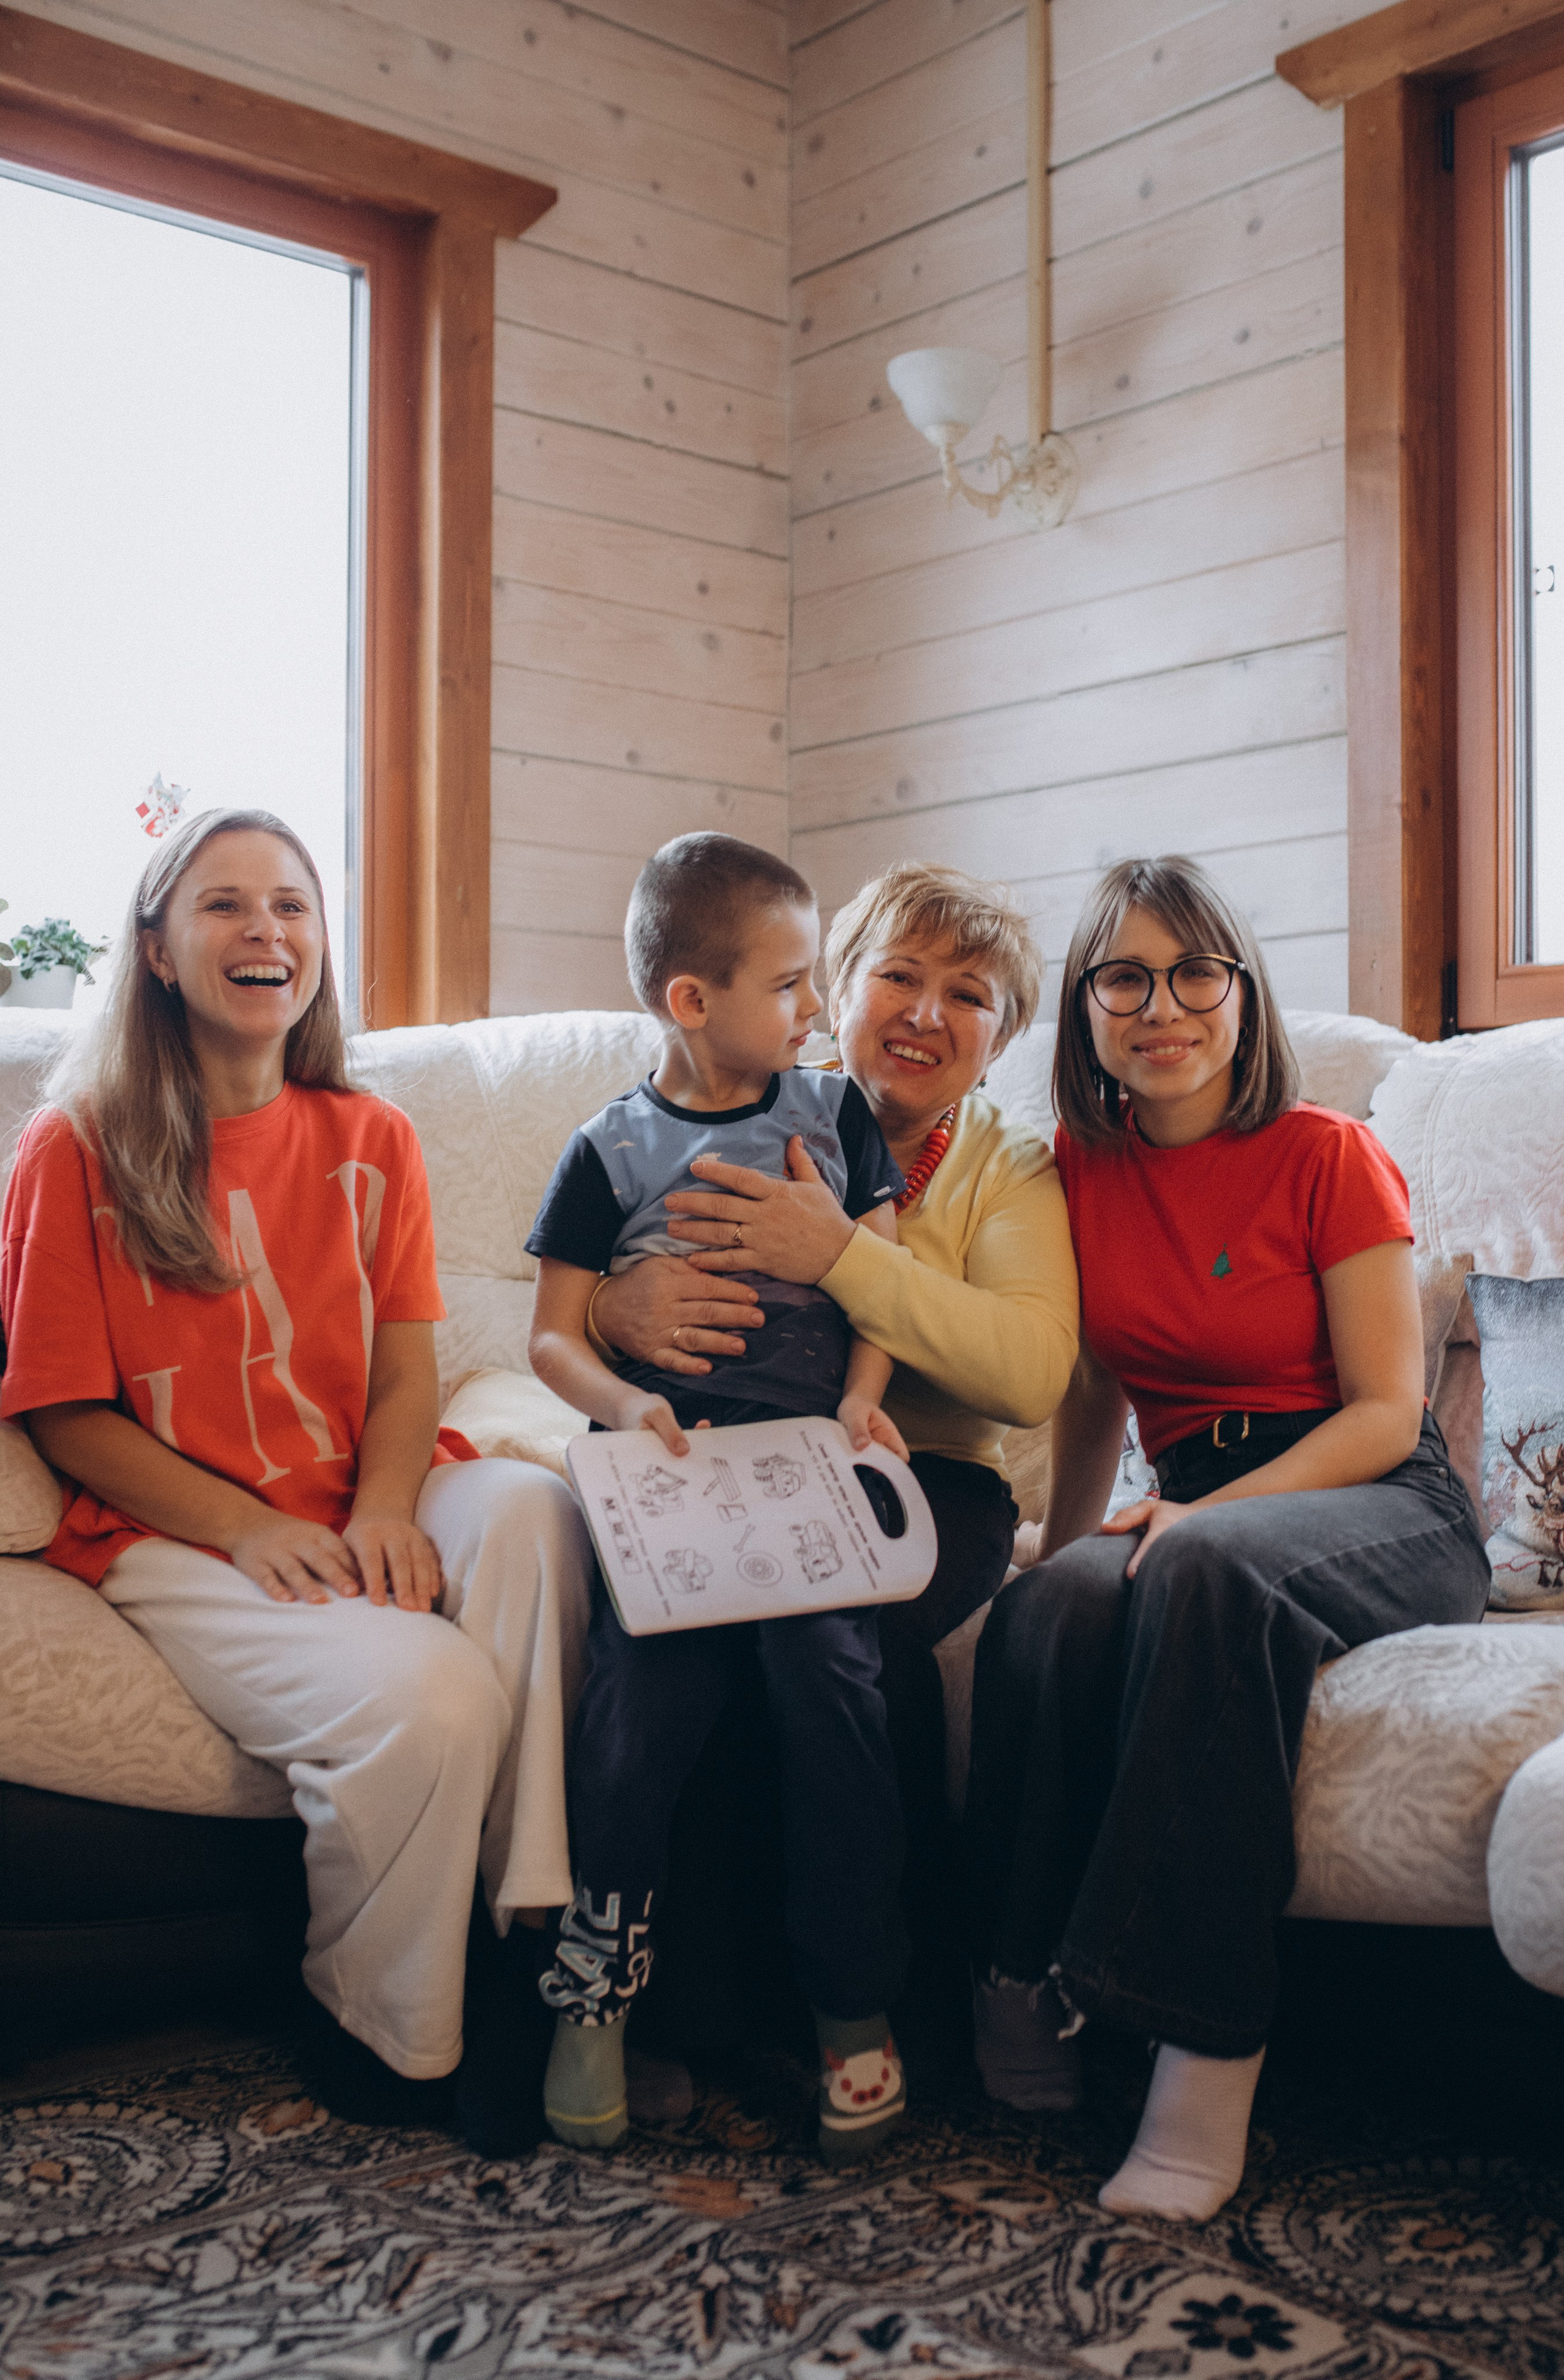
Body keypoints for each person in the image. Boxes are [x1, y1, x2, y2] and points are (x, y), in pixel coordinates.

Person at [0, 808, 593, 2152]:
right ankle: (385, 2033)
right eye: (224, 905)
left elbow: (404, 1372)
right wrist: (255, 1527)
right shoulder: (76, 1145)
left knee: (535, 1514)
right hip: (180, 1529)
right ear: (154, 948)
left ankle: (530, 1938)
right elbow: (61, 1412)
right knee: (435, 1697)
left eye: (292, 905)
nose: (266, 929)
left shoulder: (370, 1135)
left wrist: (385, 1506)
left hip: (362, 1480)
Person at [963, 854, 1491, 2222]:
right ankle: (1018, 1976)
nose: (1163, 1005)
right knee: (1047, 1611)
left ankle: (1203, 2056)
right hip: (1188, 1493)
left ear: (1241, 994)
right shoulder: (1069, 1169)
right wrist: (1059, 1551)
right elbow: (1089, 1393)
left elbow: (1385, 1412)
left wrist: (1203, 1514)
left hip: (1375, 1495)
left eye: (1196, 970)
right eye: (1122, 977)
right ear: (1082, 1010)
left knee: (1190, 1565)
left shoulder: (1324, 1151)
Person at [585, 864, 1080, 1966]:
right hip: (726, 1457)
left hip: (926, 1478)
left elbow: (1034, 1375)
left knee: (834, 1645)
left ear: (999, 1041)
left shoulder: (1007, 1168)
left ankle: (869, 1986)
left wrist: (843, 1255)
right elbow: (599, 1264)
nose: (924, 1013)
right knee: (678, 1654)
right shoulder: (739, 1105)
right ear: (830, 994)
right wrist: (617, 1311)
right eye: (897, 976)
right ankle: (690, 2003)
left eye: (969, 994)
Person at [525, 833, 912, 2162]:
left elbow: (878, 1270)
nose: (817, 1011)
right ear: (691, 1001)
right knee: (637, 1718)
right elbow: (551, 1339)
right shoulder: (606, 1149)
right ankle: (595, 2003)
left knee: (835, 1693)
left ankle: (850, 2006)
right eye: (793, 984)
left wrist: (865, 1396)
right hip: (670, 1481)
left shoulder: (835, 1113)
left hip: (804, 1469)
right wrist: (626, 1403)